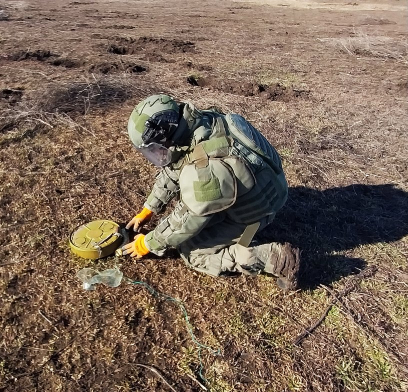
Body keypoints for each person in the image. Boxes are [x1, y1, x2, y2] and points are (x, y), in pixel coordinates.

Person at [121, 94, 300, 290]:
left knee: (193, 252)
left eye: (155, 149)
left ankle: (275, 259)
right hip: (265, 189)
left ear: (167, 135)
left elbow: (184, 222)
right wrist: (149, 209)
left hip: (256, 219)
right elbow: (174, 166)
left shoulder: (204, 170)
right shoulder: (201, 123)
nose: (155, 155)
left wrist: (149, 243)